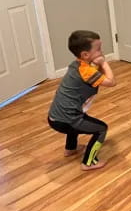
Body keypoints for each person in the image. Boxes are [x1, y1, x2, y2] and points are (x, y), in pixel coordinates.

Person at [47, 30, 116, 171]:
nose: (101, 52)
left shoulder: (79, 65)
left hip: (55, 117)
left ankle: (70, 149)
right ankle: (88, 162)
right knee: (101, 129)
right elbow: (111, 81)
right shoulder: (87, 71)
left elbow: (94, 74)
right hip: (66, 119)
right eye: (98, 49)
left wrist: (97, 63)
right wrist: (104, 63)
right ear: (85, 54)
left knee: (78, 121)